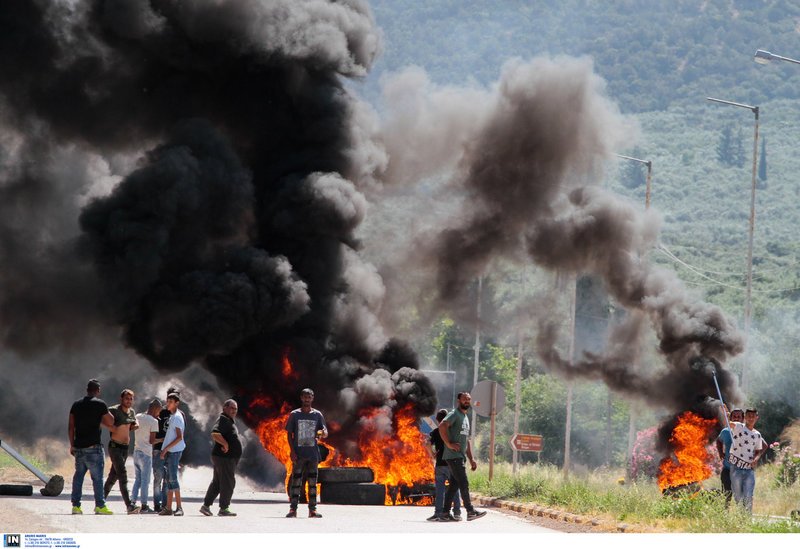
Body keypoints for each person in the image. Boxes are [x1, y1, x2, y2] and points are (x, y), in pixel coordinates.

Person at [69, 379, 115, 515]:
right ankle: (100, 506)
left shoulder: (76, 405)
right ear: (98, 390)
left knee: (78, 477)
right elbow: (111, 421)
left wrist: (72, 445)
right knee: (97, 478)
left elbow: (71, 426)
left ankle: (76, 506)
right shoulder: (100, 405)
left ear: (87, 389)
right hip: (94, 448)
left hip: (79, 447)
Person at [439, 392, 487, 521]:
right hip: (453, 456)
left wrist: (471, 459)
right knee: (464, 483)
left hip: (460, 456)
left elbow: (467, 440)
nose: (467, 401)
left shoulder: (465, 417)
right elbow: (442, 426)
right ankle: (470, 511)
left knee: (454, 486)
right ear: (459, 400)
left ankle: (444, 513)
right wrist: (448, 444)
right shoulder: (455, 414)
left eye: (469, 399)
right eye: (465, 399)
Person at [285, 388, 327, 518]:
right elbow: (289, 434)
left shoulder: (317, 415)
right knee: (296, 483)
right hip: (299, 455)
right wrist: (292, 451)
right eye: (305, 397)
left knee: (313, 484)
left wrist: (323, 433)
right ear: (301, 398)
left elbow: (324, 431)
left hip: (313, 455)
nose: (307, 399)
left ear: (312, 398)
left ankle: (312, 510)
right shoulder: (295, 414)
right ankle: (293, 509)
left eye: (309, 397)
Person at [200, 399, 242, 517]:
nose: (234, 411)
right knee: (228, 482)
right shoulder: (223, 419)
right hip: (225, 458)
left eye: (235, 409)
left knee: (217, 483)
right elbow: (215, 433)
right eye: (232, 408)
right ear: (225, 408)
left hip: (224, 458)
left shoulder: (228, 420)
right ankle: (224, 508)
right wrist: (225, 444)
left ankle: (205, 506)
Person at [103, 389, 141, 514]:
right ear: (121, 399)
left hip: (125, 448)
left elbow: (133, 424)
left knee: (113, 477)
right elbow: (102, 417)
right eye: (126, 398)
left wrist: (135, 425)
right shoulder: (114, 410)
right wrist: (110, 427)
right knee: (123, 475)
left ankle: (100, 501)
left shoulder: (132, 412)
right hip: (115, 447)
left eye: (131, 399)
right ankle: (129, 505)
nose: (129, 401)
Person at [728, 407, 768, 513]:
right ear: (745, 417)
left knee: (748, 496)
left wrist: (756, 458)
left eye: (753, 416)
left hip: (749, 469)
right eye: (749, 416)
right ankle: (741, 518)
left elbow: (759, 450)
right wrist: (726, 412)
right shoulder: (738, 427)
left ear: (757, 418)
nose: (751, 418)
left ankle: (747, 520)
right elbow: (729, 422)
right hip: (736, 468)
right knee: (738, 497)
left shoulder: (757, 435)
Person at [427, 408, 462, 522]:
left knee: (440, 491)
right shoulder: (453, 431)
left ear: (438, 420)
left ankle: (438, 513)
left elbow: (427, 443)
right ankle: (456, 513)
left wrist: (432, 454)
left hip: (440, 466)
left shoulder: (436, 432)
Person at [131, 398, 162, 513]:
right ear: (154, 409)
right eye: (159, 410)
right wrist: (162, 440)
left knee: (137, 479)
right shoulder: (154, 422)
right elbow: (152, 440)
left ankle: (132, 502)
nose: (159, 413)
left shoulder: (138, 416)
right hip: (146, 454)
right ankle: (144, 505)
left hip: (136, 452)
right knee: (145, 481)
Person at [159, 393, 186, 516]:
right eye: (167, 401)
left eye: (171, 401)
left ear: (177, 403)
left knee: (173, 479)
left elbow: (180, 437)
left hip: (174, 452)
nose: (168, 403)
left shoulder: (177, 417)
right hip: (171, 451)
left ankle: (179, 507)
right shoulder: (173, 416)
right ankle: (168, 508)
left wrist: (165, 449)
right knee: (169, 480)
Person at [152, 387, 177, 513]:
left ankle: (165, 506)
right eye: (170, 398)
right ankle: (157, 505)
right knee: (158, 478)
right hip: (158, 449)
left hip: (171, 451)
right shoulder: (161, 412)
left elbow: (181, 435)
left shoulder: (179, 414)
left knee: (168, 481)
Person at [715, 407, 744, 507]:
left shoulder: (746, 431)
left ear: (742, 419)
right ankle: (725, 514)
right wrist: (720, 453)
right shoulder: (725, 431)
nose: (736, 418)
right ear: (731, 418)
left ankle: (742, 516)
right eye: (734, 416)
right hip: (727, 468)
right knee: (726, 494)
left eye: (738, 417)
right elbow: (719, 441)